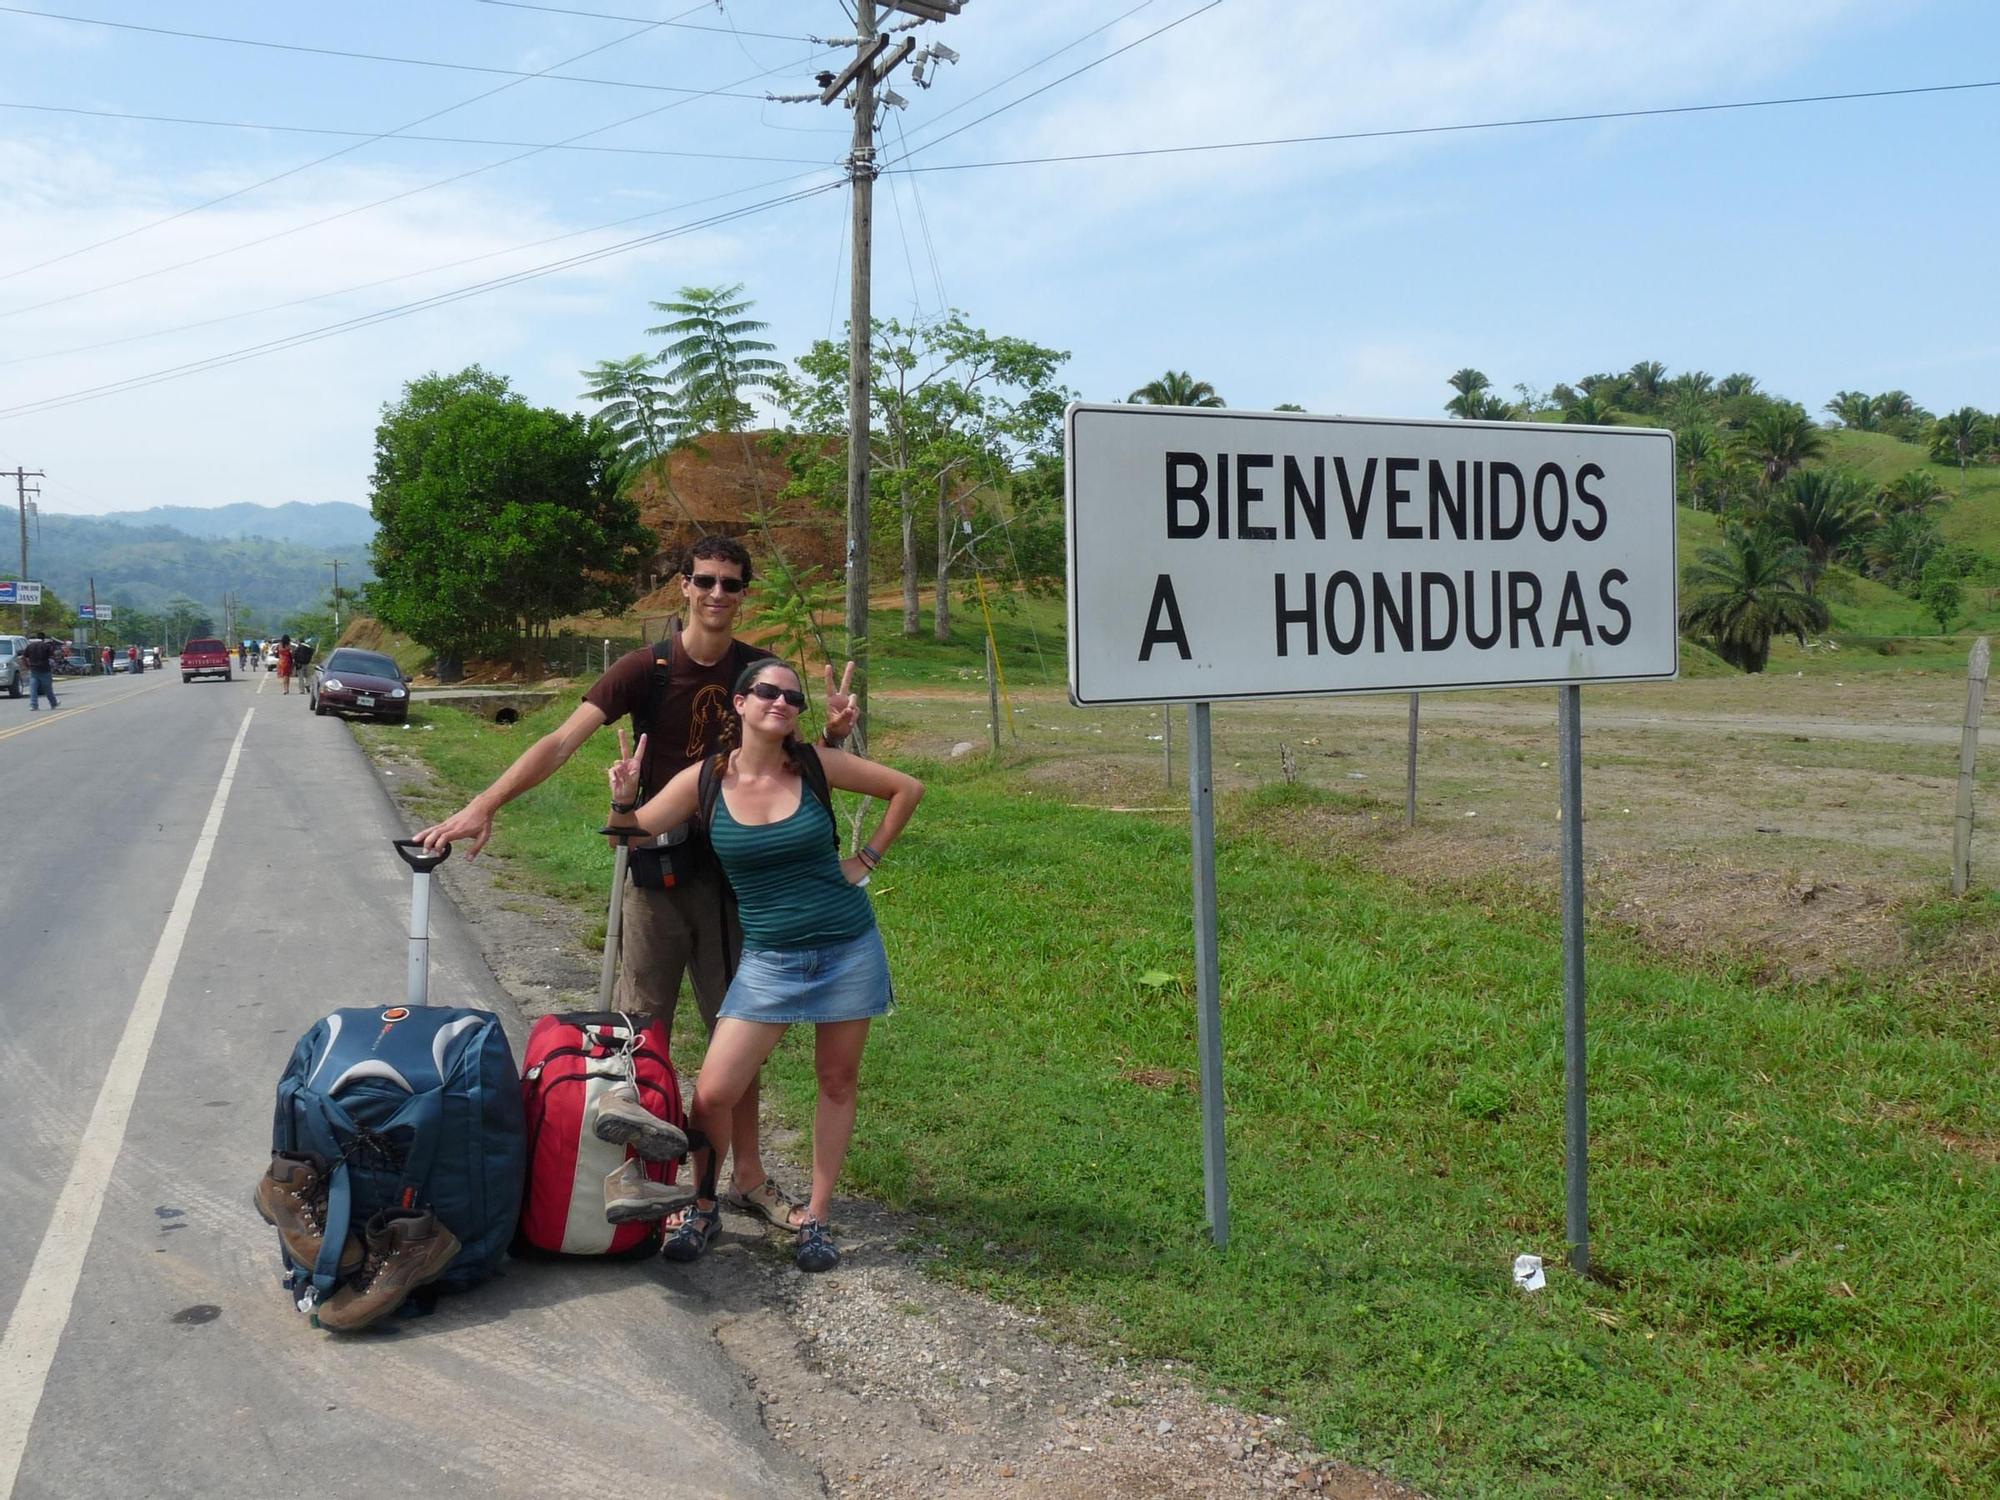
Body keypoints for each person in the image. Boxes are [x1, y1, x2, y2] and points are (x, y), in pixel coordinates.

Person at [416, 536, 858, 1229]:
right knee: (638, 1033)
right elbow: (561, 742)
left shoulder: (759, 672)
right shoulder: (645, 668)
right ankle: (648, 1183)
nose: (718, 594)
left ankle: (747, 1177)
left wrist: (833, 736)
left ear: (745, 594)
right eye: (706, 580)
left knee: (733, 1035)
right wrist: (483, 805)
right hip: (656, 876)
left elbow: (804, 774)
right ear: (683, 586)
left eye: (732, 584)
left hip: (739, 883)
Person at [605, 658, 922, 1271]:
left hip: (847, 948)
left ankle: (819, 1219)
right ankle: (703, 1203)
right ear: (741, 704)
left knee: (836, 1081)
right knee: (716, 1091)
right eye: (767, 692)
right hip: (771, 960)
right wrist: (622, 799)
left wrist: (867, 860)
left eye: (792, 697)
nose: (781, 701)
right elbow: (632, 834)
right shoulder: (704, 782)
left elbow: (907, 788)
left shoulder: (816, 765)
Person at [21, 632, 59, 710]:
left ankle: (33, 705)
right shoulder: (45, 646)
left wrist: (27, 666)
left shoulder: (30, 646)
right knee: (48, 689)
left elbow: (23, 657)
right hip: (45, 670)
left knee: (33, 689)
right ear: (43, 639)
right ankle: (53, 703)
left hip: (33, 670)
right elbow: (53, 654)